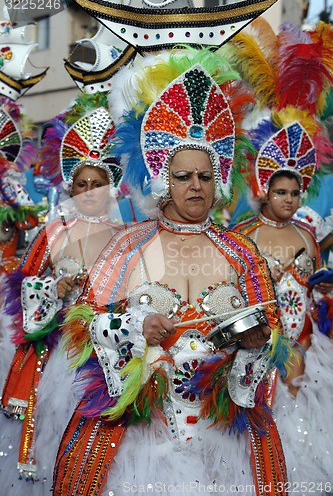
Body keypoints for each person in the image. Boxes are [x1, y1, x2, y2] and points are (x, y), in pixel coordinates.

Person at [54, 52, 292, 496]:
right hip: (140, 436)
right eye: (183, 176)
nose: (196, 186)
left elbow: (272, 329)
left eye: (205, 175)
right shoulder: (127, 246)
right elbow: (84, 326)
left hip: (225, 437)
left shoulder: (241, 251)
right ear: (164, 178)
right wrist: (136, 327)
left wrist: (257, 342)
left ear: (218, 178)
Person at [0, 107, 123, 493]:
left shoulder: (127, 235)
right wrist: (56, 290)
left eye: (97, 184)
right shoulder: (54, 232)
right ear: (71, 186)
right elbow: (25, 292)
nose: (89, 191)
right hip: (60, 357)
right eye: (82, 183)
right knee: (54, 428)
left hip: (108, 354)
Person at [234, 121, 333, 488]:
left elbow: (313, 296)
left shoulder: (308, 237)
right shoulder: (244, 236)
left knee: (306, 420)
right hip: (259, 349)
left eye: (294, 192)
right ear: (263, 191)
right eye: (280, 192)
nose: (288, 199)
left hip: (306, 344)